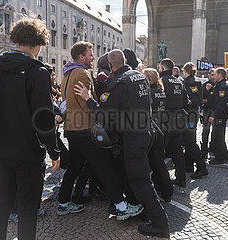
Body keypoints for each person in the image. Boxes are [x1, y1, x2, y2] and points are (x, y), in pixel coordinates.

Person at [0, 18, 61, 240]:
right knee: (27, 206)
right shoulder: (38, 71)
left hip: (2, 145)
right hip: (27, 148)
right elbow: (43, 117)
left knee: (3, 199)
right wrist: (54, 151)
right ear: (41, 41)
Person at [74, 49, 169, 238]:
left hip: (133, 137)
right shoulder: (139, 76)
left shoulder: (119, 83)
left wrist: (88, 99)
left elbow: (104, 114)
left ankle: (160, 224)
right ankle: (140, 209)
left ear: (110, 65)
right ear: (125, 60)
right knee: (134, 175)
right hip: (146, 132)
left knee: (141, 180)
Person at [58, 41, 143, 221]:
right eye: (90, 54)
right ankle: (121, 207)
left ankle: (63, 203)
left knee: (74, 167)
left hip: (71, 129)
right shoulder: (82, 73)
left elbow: (66, 102)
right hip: (85, 128)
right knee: (105, 168)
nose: (93, 58)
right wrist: (100, 114)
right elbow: (86, 103)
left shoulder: (67, 73)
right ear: (81, 57)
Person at [143, 68, 173, 202]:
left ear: (149, 79)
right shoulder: (161, 92)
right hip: (161, 128)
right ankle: (164, 188)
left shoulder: (149, 93)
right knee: (158, 163)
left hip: (153, 130)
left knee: (154, 163)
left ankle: (165, 190)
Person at [159, 58, 188, 187]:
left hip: (166, 121)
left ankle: (161, 182)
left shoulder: (162, 81)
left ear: (162, 68)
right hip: (178, 119)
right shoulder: (179, 81)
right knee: (177, 151)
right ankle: (181, 178)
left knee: (159, 153)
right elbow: (185, 102)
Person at [181, 62, 208, 179]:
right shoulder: (189, 81)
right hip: (190, 113)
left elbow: (196, 99)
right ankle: (188, 166)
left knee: (190, 141)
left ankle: (202, 167)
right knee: (188, 141)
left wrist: (188, 102)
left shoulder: (192, 82)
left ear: (185, 71)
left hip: (190, 114)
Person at [208, 68, 228, 164]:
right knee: (218, 135)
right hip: (219, 114)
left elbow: (221, 103)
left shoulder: (224, 86)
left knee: (217, 136)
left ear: (220, 75)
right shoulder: (220, 85)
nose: (213, 76)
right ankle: (225, 154)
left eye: (215, 74)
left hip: (220, 114)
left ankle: (219, 158)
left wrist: (214, 115)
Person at [201, 68, 215, 159]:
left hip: (215, 110)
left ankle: (213, 148)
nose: (214, 77)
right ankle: (204, 150)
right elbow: (201, 98)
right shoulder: (205, 85)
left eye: (215, 75)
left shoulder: (218, 84)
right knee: (205, 130)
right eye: (212, 75)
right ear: (209, 75)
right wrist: (206, 90)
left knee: (216, 131)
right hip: (206, 110)